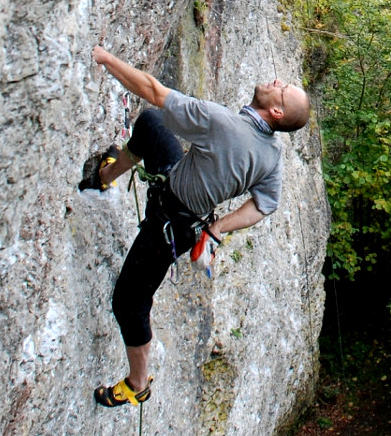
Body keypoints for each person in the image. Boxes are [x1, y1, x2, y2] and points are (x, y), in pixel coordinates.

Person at [82, 45, 310, 408]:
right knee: (150, 125)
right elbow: (265, 204)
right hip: (186, 209)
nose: (276, 81)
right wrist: (217, 229)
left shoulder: (222, 124)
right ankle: (106, 174)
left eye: (281, 89)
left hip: (166, 229)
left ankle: (137, 383)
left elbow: (155, 92)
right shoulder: (271, 156)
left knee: (129, 303)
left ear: (276, 110)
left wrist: (106, 59)